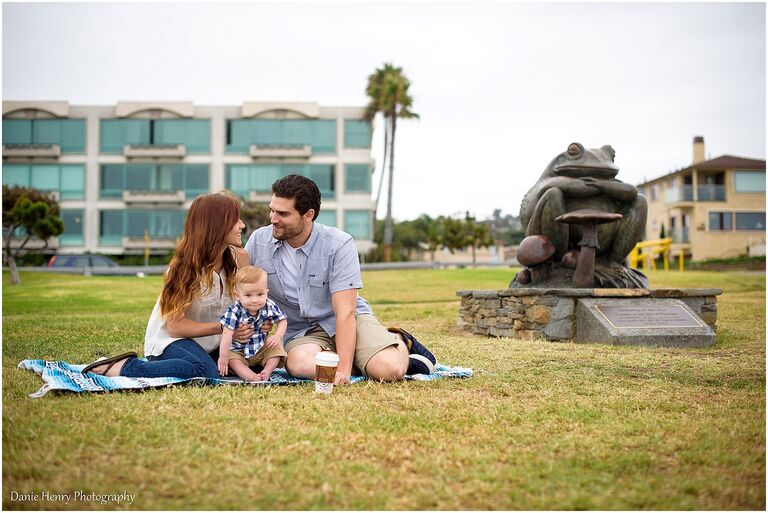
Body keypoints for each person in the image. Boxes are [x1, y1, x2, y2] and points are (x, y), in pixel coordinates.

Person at [244, 174, 437, 385]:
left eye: (283, 213)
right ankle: (364, 358)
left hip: (346, 320)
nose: (273, 218)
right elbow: (240, 281)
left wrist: (344, 370)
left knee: (387, 370)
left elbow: (345, 312)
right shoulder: (258, 241)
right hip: (302, 331)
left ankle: (399, 339)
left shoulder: (339, 244)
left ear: (308, 215)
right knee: (298, 366)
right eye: (271, 210)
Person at [81, 191, 253, 379]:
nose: (242, 226)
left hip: (210, 344)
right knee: (206, 373)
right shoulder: (183, 269)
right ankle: (122, 366)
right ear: (217, 225)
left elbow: (246, 306)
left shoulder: (239, 259)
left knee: (253, 365)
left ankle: (194, 363)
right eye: (236, 220)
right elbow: (175, 328)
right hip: (171, 341)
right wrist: (223, 327)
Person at [218, 265, 288, 382]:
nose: (255, 300)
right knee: (233, 360)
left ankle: (267, 371)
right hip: (239, 350)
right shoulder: (235, 311)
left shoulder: (269, 305)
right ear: (237, 295)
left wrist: (277, 336)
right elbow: (227, 334)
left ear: (266, 292)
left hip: (261, 348)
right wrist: (223, 357)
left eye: (260, 294)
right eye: (248, 295)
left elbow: (282, 320)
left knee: (277, 347)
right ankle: (252, 377)